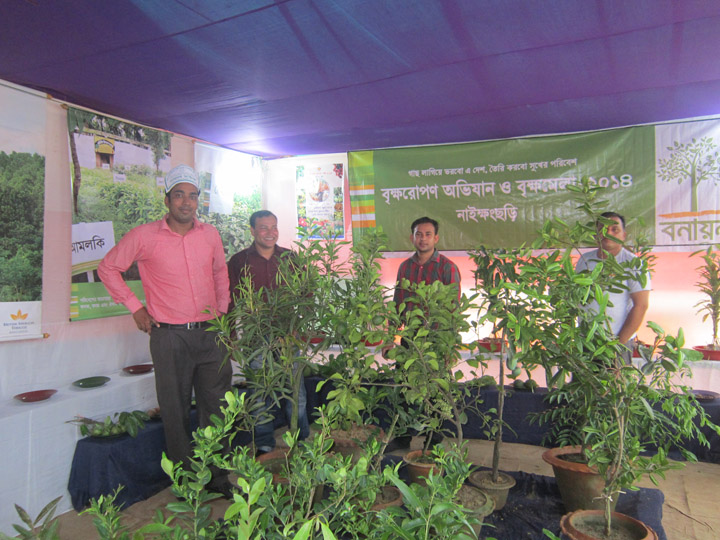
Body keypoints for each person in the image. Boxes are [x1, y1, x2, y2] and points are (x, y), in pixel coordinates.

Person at [98, 164, 233, 497]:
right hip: (169, 335)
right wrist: (136, 308)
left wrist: (223, 315)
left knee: (216, 408)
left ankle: (216, 478)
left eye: (192, 196)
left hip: (210, 334)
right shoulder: (144, 236)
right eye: (179, 196)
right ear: (167, 200)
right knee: (174, 411)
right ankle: (188, 485)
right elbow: (108, 268)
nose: (186, 203)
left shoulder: (210, 235)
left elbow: (220, 275)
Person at [227, 210, 310, 456]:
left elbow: (306, 292)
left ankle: (301, 439)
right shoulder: (239, 261)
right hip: (255, 336)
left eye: (274, 227)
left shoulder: (289, 258)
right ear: (252, 231)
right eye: (263, 228)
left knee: (297, 390)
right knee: (258, 393)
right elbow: (230, 301)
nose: (270, 232)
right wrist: (232, 337)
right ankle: (264, 443)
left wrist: (299, 329)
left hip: (287, 336)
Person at [385, 216, 461, 452]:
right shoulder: (405, 267)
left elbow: (453, 311)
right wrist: (391, 338)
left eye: (428, 234)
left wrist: (450, 347)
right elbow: (397, 304)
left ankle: (432, 440)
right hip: (410, 340)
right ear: (412, 237)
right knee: (405, 388)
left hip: (436, 341)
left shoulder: (447, 268)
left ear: (436, 238)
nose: (423, 238)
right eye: (419, 234)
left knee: (436, 391)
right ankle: (403, 437)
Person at [575, 211, 651, 363]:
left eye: (614, 229)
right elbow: (576, 298)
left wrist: (617, 345)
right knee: (583, 385)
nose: (608, 233)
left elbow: (641, 306)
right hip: (586, 341)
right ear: (596, 235)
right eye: (603, 229)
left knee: (614, 385)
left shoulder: (634, 264)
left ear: (624, 235)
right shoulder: (584, 260)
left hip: (616, 342)